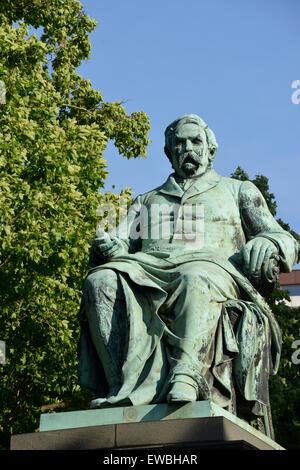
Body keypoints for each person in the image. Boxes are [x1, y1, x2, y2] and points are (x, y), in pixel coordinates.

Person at [78, 114, 297, 437]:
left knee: (195, 276)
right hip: (147, 269)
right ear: (169, 152)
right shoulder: (146, 201)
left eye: (195, 141)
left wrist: (267, 241)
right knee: (100, 280)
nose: (187, 148)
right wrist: (107, 246)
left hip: (214, 271)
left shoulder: (238, 191)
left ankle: (187, 373)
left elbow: (285, 240)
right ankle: (120, 388)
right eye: (179, 143)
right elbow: (119, 239)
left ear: (211, 150)